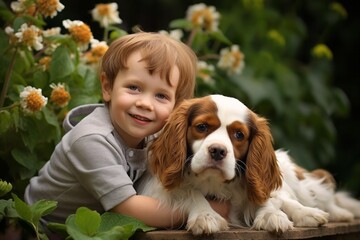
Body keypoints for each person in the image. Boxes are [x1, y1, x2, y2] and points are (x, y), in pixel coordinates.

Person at [24, 32, 229, 228]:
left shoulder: (154, 134)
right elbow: (128, 209)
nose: (145, 103)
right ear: (107, 87)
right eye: (134, 88)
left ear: (176, 106)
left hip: (92, 226)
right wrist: (207, 208)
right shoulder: (92, 140)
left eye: (161, 96)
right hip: (42, 227)